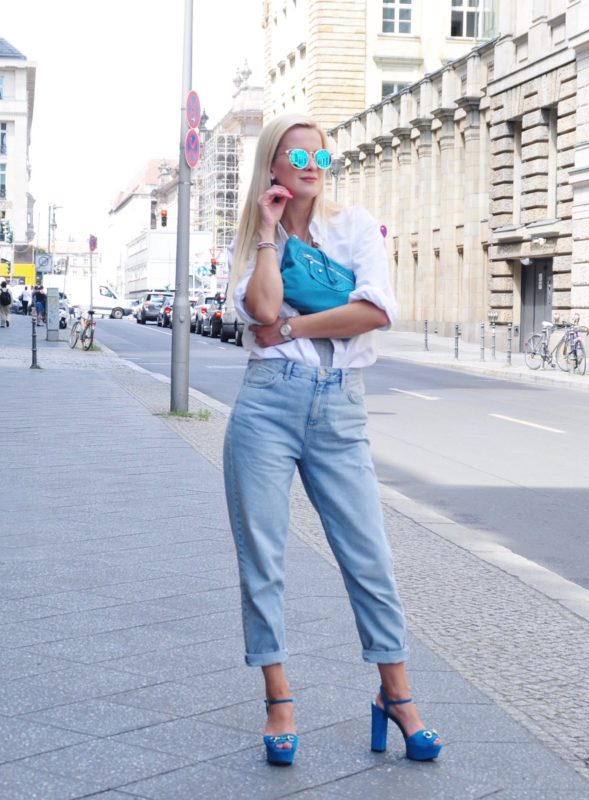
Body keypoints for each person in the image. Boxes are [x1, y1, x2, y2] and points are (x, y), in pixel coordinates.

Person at [224, 113, 442, 766]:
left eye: (321, 156)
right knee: (263, 560)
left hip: (340, 411)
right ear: (274, 165)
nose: (312, 165)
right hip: (265, 408)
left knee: (370, 559)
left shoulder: (355, 227)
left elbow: (376, 311)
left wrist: (295, 329)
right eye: (297, 155)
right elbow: (262, 308)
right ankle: (279, 700)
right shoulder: (251, 243)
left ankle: (396, 697)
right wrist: (268, 233)